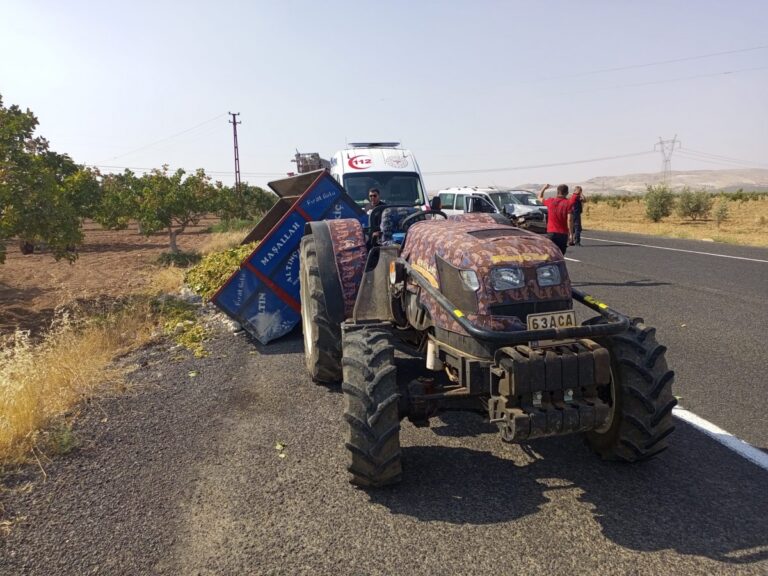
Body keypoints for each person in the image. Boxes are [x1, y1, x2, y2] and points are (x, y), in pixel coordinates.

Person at [538, 183, 577, 255]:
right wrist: (571, 234)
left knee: (550, 254)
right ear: (567, 193)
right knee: (560, 255)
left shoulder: (550, 201)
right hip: (563, 234)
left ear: (557, 192)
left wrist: (544, 188)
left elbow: (539, 197)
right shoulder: (568, 203)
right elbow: (570, 220)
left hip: (551, 233)